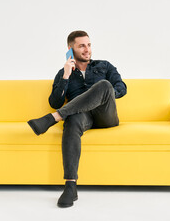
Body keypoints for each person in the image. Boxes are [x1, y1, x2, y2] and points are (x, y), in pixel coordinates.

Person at [27, 30, 127, 208]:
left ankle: (53, 118)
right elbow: (54, 101)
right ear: (70, 49)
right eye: (81, 46)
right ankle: (70, 186)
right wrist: (65, 76)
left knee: (104, 85)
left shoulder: (104, 66)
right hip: (82, 117)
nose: (87, 49)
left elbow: (122, 88)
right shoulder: (64, 72)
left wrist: (104, 94)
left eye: (88, 45)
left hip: (106, 115)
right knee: (71, 121)